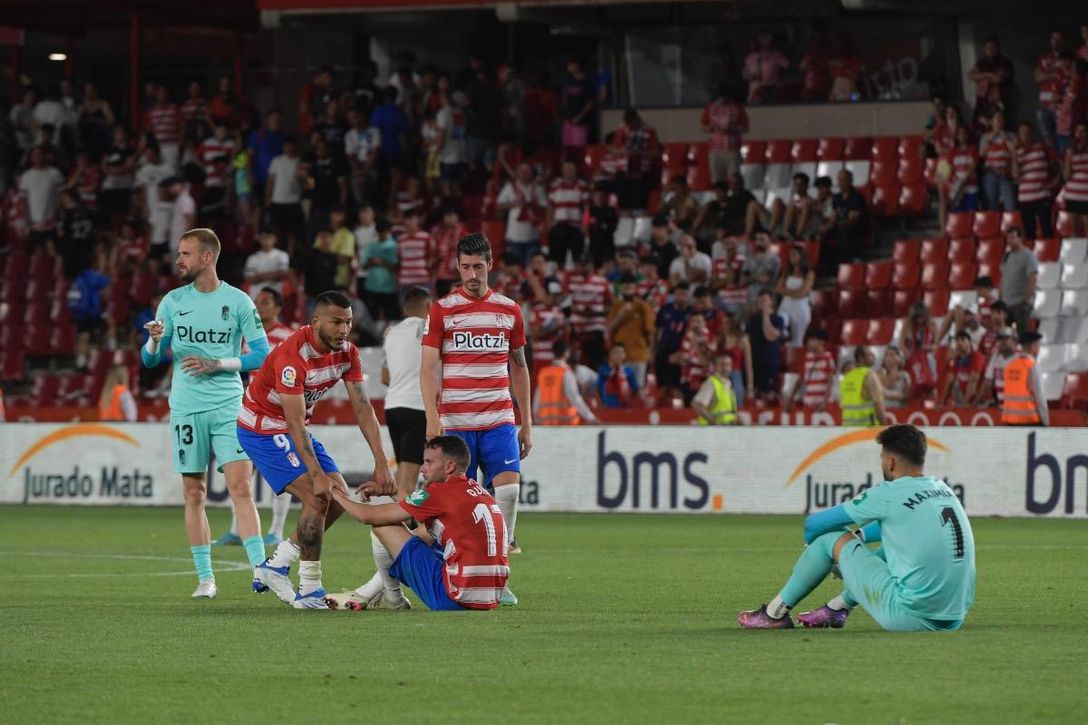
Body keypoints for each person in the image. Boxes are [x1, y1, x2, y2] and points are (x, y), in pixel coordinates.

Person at [738, 424, 976, 632]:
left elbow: (814, 525)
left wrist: (821, 553)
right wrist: (858, 545)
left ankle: (773, 614)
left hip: (909, 617)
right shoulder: (943, 490)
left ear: (891, 461)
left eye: (882, 458)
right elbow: (893, 527)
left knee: (828, 539)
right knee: (893, 547)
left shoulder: (888, 493)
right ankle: (836, 608)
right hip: (954, 615)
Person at [241, 291, 395, 609]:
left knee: (338, 495)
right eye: (336, 321)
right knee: (318, 494)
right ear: (315, 322)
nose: (343, 329)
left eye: (348, 322)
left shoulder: (348, 353)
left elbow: (364, 408)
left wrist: (382, 462)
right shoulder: (292, 357)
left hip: (295, 429)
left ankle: (277, 564)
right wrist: (315, 474)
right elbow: (294, 424)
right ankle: (310, 588)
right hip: (263, 428)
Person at [141, 228, 272, 599]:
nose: (178, 260)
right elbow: (150, 360)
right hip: (185, 408)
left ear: (206, 258)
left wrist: (219, 363)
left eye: (185, 253)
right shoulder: (171, 301)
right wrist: (153, 338)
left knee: (241, 487)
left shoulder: (239, 301)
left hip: (229, 404)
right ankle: (205, 578)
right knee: (194, 492)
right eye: (178, 253)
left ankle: (262, 570)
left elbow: (263, 355)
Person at [420, 233, 530, 606]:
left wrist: (526, 422)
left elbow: (520, 367)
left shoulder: (509, 310)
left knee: (509, 490)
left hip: (499, 418)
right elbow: (428, 368)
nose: (471, 273)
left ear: (490, 265)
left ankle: (501, 571)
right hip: (458, 421)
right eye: (465, 266)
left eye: (477, 266)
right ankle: (453, 563)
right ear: (457, 266)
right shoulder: (442, 310)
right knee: (453, 503)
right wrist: (432, 418)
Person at [327, 435, 510, 611]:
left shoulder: (439, 493)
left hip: (452, 598)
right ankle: (368, 593)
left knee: (383, 527)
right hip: (491, 597)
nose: (423, 469)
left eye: (429, 462)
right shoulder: (479, 492)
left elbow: (367, 515)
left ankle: (393, 599)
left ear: (449, 466)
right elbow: (418, 513)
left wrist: (336, 493)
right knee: (425, 533)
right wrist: (390, 491)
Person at [214, 287, 296, 547]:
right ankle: (237, 529)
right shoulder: (248, 336)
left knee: (281, 470)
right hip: (250, 410)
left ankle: (275, 530)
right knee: (239, 466)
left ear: (278, 307)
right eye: (257, 302)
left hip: (279, 412)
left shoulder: (288, 336)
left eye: (266, 302)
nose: (260, 307)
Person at [607, 273, 655, 388]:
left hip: (639, 353)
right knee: (619, 387)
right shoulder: (616, 306)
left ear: (635, 288)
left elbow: (650, 331)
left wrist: (650, 352)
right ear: (621, 288)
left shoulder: (643, 306)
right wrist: (621, 315)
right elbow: (610, 328)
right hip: (620, 355)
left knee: (638, 388)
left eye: (630, 287)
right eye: (625, 287)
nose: (628, 289)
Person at [534, 340, 599, 425]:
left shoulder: (543, 373)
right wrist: (590, 417)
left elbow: (536, 401)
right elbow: (575, 398)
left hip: (546, 423)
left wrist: (536, 418)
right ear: (567, 353)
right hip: (565, 424)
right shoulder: (566, 373)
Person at [1012, 122, 1057, 239]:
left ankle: (1050, 255)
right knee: (1029, 232)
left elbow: (1058, 165)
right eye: (1022, 133)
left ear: (1032, 134)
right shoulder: (1017, 153)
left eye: (1028, 133)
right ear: (1018, 135)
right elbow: (1015, 175)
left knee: (1047, 229)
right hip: (1025, 197)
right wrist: (1013, 153)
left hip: (1042, 195)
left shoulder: (1042, 148)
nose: (1025, 136)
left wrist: (1053, 183)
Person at [701, 84, 748, 183]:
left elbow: (745, 127)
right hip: (715, 150)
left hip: (732, 149)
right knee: (717, 180)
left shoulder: (737, 107)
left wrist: (733, 130)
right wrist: (713, 129)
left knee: (733, 178)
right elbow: (703, 126)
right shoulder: (711, 108)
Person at [546, 159, 590, 267]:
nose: (568, 171)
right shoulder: (555, 185)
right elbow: (550, 206)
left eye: (571, 168)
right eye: (566, 168)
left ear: (575, 170)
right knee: (558, 257)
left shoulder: (582, 185)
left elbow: (586, 207)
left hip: (576, 226)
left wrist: (585, 224)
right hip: (559, 225)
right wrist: (549, 223)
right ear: (562, 170)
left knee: (577, 256)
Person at [746, 289, 785, 403]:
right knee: (756, 392)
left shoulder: (778, 319)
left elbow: (770, 336)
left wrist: (766, 316)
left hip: (769, 361)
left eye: (764, 300)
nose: (761, 303)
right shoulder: (753, 319)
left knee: (768, 393)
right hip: (754, 360)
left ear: (771, 302)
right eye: (760, 300)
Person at [1002, 331, 1049, 426]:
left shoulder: (1009, 364)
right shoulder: (1032, 366)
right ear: (1033, 347)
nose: (1039, 349)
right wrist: (1045, 421)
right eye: (1038, 346)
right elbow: (1039, 397)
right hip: (1028, 421)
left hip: (1009, 420)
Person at [783, 329, 834, 413]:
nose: (809, 342)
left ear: (821, 342)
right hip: (808, 403)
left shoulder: (827, 357)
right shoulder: (807, 357)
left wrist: (825, 402)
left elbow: (830, 381)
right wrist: (790, 398)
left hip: (821, 404)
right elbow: (800, 380)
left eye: (812, 340)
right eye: (808, 340)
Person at [999, 227, 1038, 334]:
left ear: (1021, 238)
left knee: (1023, 334)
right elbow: (1003, 278)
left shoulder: (1028, 255)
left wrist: (1025, 300)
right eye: (1008, 238)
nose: (1010, 241)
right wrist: (1000, 297)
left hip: (1020, 304)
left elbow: (1032, 279)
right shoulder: (1006, 256)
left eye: (1012, 238)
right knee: (1004, 335)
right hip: (1006, 303)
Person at [775, 244, 814, 348]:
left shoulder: (809, 274)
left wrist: (786, 291)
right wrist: (794, 293)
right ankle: (783, 334)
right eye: (790, 255)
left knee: (797, 341)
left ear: (801, 256)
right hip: (786, 305)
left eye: (794, 254)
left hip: (800, 308)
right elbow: (778, 289)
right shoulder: (787, 271)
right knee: (779, 321)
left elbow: (802, 293)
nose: (791, 257)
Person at [839, 346, 887, 427]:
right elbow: (878, 404)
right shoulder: (869, 375)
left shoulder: (847, 377)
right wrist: (884, 428)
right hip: (866, 429)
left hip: (848, 429)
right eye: (870, 355)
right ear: (861, 358)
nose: (874, 357)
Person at [979, 109, 1016, 212]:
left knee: (1010, 205)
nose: (1000, 120)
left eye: (1001, 118)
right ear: (991, 121)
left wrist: (1005, 137)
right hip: (990, 174)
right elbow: (982, 153)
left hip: (1006, 174)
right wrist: (993, 136)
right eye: (997, 118)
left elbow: (1013, 150)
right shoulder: (985, 136)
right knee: (992, 205)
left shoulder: (1011, 135)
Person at [969, 36, 1014, 119]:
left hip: (999, 103)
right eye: (987, 47)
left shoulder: (1005, 62)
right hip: (982, 102)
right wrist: (988, 75)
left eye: (992, 47)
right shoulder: (982, 62)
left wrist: (981, 76)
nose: (990, 50)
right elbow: (971, 76)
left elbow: (997, 79)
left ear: (997, 48)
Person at [830, 169, 868, 265]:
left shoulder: (856, 197)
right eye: (839, 180)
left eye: (843, 180)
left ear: (850, 181)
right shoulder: (836, 198)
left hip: (856, 228)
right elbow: (834, 215)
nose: (840, 183)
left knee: (844, 229)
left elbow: (853, 219)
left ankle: (850, 258)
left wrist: (838, 222)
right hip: (839, 225)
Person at [940, 332, 986, 406]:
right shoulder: (956, 360)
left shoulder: (977, 356)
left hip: (979, 400)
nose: (959, 343)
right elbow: (949, 382)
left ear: (969, 342)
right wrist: (942, 404)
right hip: (964, 400)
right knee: (954, 385)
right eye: (957, 341)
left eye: (963, 340)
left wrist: (965, 405)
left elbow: (973, 380)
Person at [243, 230, 290, 301]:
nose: (266, 241)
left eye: (269, 238)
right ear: (259, 239)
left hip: (275, 298)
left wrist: (259, 276)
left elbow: (283, 274)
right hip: (256, 297)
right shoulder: (252, 258)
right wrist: (274, 274)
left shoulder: (282, 255)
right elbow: (249, 279)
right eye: (263, 238)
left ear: (275, 239)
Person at [692, 354, 738, 425]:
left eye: (728, 365)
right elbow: (697, 405)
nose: (725, 368)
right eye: (722, 365)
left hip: (726, 429)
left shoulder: (728, 383)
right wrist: (713, 422)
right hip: (712, 430)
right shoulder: (711, 383)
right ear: (715, 367)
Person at [977, 327, 1017, 408]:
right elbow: (987, 383)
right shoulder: (995, 357)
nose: (1002, 342)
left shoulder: (1022, 357)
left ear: (1014, 341)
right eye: (1000, 339)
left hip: (1019, 410)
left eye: (1005, 339)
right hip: (1001, 408)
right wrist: (975, 404)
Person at [1061, 121, 1088, 236]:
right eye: (1077, 131)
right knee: (1074, 229)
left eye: (1083, 131)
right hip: (1072, 193)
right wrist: (1069, 157)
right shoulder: (1070, 148)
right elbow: (1066, 176)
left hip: (1086, 193)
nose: (1079, 134)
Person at [598, 342, 639, 408]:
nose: (618, 355)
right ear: (610, 355)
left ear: (625, 355)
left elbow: (634, 389)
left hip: (625, 407)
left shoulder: (629, 371)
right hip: (607, 406)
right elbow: (598, 389)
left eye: (620, 353)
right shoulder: (603, 369)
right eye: (615, 352)